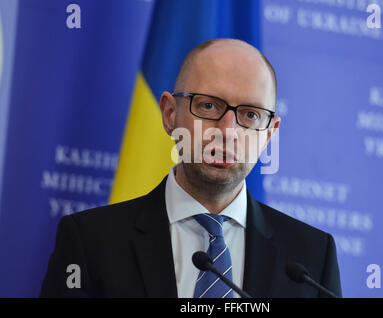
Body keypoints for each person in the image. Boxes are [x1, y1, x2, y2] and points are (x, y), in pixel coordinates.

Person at [40, 38, 342, 298]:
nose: (227, 130)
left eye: (250, 115)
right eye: (208, 106)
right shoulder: (91, 242)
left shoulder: (311, 258)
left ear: (270, 134)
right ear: (170, 114)